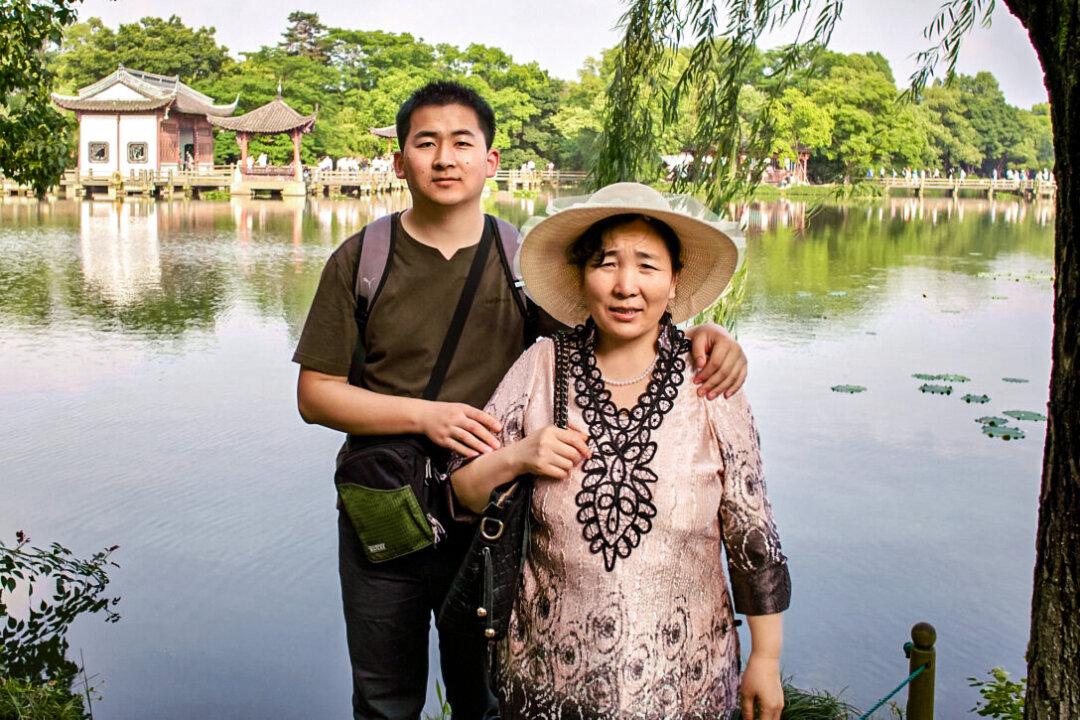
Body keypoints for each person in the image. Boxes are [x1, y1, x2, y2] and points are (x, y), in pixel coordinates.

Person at [293, 83, 749, 720]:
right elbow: (315, 396)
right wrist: (428, 415)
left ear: (492, 160)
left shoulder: (517, 264)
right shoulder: (363, 258)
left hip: (493, 520)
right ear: (400, 162)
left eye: (462, 143)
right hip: (386, 510)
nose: (445, 159)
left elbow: (606, 336)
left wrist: (703, 334)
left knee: (484, 695)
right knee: (383, 698)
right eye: (426, 144)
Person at [449, 183, 790, 720]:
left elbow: (751, 533)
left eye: (648, 266)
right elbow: (464, 492)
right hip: (547, 682)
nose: (626, 285)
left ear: (675, 281)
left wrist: (766, 658)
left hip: (687, 683)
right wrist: (520, 456)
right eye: (607, 264)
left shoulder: (710, 379)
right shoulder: (542, 366)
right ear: (581, 277)